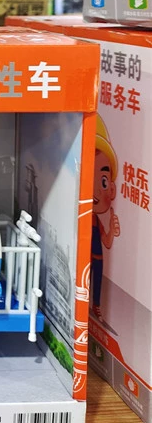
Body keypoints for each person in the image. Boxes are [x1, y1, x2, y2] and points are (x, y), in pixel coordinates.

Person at [92, 116, 121, 320]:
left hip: (97, 258)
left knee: (97, 281)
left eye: (102, 181)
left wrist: (111, 229)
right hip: (84, 259)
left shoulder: (95, 221)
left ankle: (96, 306)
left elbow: (107, 241)